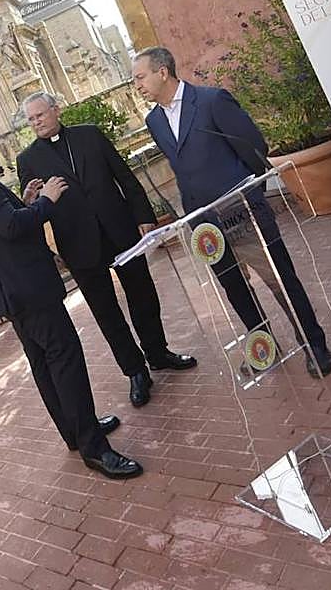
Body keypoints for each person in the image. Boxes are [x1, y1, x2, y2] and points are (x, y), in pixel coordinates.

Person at [0, 120, 142, 478]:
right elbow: (12, 227)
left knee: (44, 363)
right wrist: (48, 200)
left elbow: (1, 223)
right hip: (28, 288)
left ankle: (75, 431)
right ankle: (95, 448)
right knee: (64, 359)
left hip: (15, 290)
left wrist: (26, 203)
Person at [132, 47, 331, 376]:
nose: (137, 85)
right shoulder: (153, 121)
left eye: (140, 77)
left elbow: (254, 149)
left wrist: (249, 195)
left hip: (243, 211)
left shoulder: (212, 101)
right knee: (236, 289)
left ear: (163, 72)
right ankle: (265, 349)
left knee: (279, 279)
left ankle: (314, 344)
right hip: (204, 224)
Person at [16, 92, 197, 408]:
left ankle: (157, 353)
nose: (36, 122)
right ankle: (135, 372)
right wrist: (31, 205)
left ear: (56, 110)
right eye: (31, 119)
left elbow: (123, 175)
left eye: (40, 115)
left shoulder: (90, 134)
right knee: (106, 312)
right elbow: (32, 211)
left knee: (143, 295)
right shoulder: (28, 160)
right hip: (78, 245)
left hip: (120, 229)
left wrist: (144, 216)